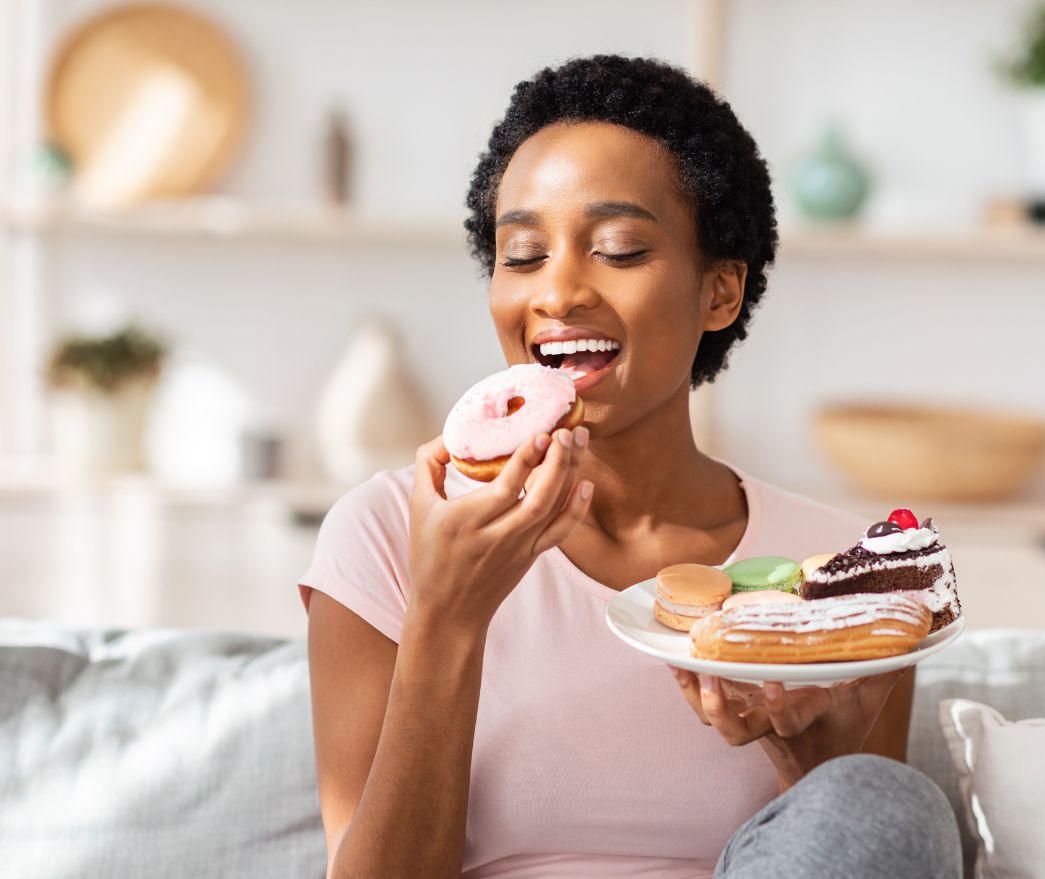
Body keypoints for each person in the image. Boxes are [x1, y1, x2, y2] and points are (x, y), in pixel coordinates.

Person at [300, 55, 961, 878]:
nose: (558, 293)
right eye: (523, 253)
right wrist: (448, 617)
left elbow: (847, 849)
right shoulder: (391, 530)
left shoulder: (839, 573)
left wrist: (815, 762)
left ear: (719, 292)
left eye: (617, 249)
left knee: (881, 801)